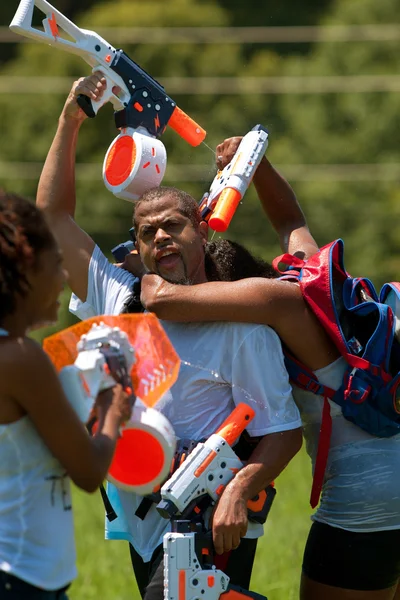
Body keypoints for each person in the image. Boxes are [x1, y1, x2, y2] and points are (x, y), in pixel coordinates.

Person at [36, 73, 304, 599]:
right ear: (135, 245)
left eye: (174, 226)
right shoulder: (122, 297)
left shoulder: (242, 326)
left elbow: (284, 430)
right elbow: (50, 219)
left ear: (202, 230)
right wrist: (70, 120)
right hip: (139, 512)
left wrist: (239, 489)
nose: (161, 236)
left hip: (214, 512)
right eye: (147, 231)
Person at [139, 137, 400, 600]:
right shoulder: (324, 288)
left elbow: (163, 299)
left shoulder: (276, 300)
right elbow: (290, 220)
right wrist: (254, 166)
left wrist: (149, 274)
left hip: (366, 502)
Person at [0, 191, 132, 599]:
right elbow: (89, 472)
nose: (62, 279)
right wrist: (113, 410)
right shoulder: (21, 361)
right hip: (22, 574)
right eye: (56, 264)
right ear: (26, 266)